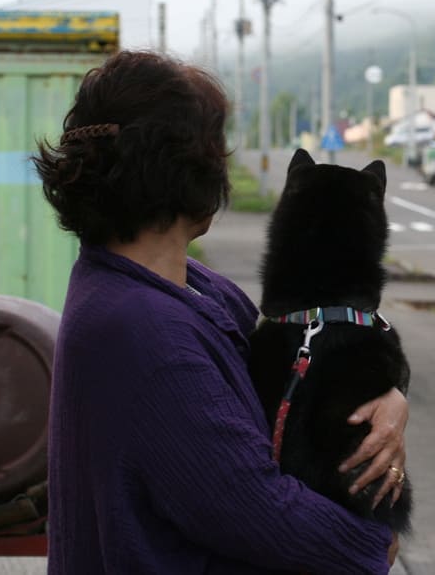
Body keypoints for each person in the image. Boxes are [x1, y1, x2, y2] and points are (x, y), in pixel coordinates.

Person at [33, 50, 408, 574]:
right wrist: (368, 547)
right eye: (217, 152)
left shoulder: (184, 290)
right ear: (189, 172)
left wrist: (388, 398)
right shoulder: (143, 330)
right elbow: (253, 507)